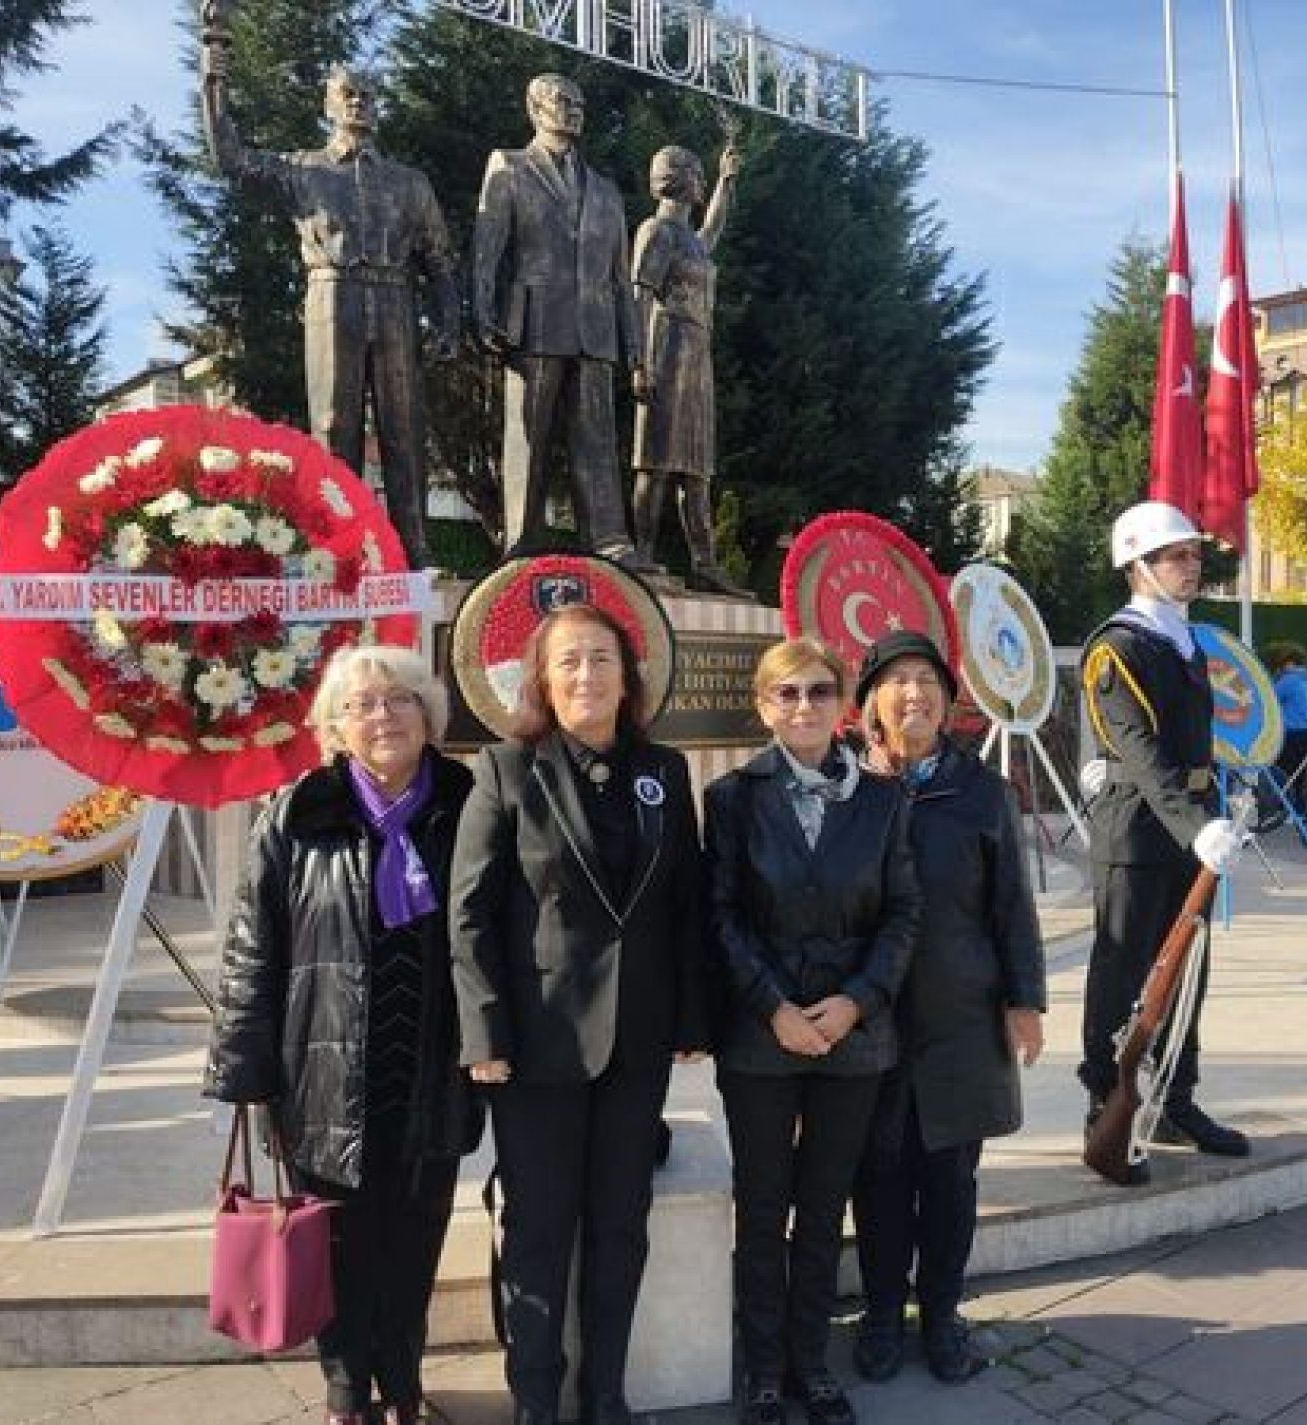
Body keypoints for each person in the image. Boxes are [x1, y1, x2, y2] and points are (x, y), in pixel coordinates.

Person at [449, 604, 709, 1425]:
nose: (587, 675)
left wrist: (693, 1019)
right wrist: (483, 1032)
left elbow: (687, 905)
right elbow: (468, 914)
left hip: (636, 1041)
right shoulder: (505, 771)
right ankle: (536, 1397)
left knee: (618, 1226)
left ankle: (606, 1392)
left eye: (602, 659)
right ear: (543, 680)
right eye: (569, 662)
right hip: (536, 1045)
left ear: (628, 677)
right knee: (536, 1229)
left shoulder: (664, 772)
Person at [206, 645, 478, 1425]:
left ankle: (403, 1381)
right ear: (335, 727)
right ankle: (346, 1390)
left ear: (429, 714)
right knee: (337, 1243)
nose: (382, 716)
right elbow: (254, 943)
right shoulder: (298, 810)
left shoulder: (467, 800)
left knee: (416, 1236)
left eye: (399, 699)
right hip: (323, 1067)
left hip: (432, 1065)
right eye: (362, 705)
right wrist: (244, 1068)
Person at [704, 638, 920, 1425]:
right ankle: (765, 1367)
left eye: (819, 691)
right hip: (763, 1037)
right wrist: (774, 1006)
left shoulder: (883, 800)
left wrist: (856, 1000)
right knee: (763, 1205)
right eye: (786, 692)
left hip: (853, 1037)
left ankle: (810, 1362)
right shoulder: (731, 797)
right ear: (763, 705)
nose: (803, 705)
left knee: (825, 1205)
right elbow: (720, 913)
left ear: (842, 704)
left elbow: (902, 913)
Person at [847, 631, 1046, 1388]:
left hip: (963, 1017)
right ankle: (879, 1315)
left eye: (926, 679)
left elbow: (1013, 909)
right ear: (871, 700)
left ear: (947, 696)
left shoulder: (982, 790)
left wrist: (1024, 1000)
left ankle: (941, 1314)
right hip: (873, 1021)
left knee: (952, 1182)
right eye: (895, 680)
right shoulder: (850, 788)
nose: (913, 694)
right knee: (879, 1178)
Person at [200, 11, 458, 568]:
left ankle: (414, 547)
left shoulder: (409, 183)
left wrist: (449, 319)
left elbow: (438, 257)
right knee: (333, 427)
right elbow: (231, 160)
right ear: (329, 104)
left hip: (395, 297)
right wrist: (214, 80)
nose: (358, 101)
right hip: (332, 294)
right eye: (347, 93)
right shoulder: (304, 169)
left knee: (403, 429)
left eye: (367, 93)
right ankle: (336, 547)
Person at [1076, 501, 1250, 1182]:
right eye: (1176, 555)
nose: (1191, 565)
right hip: (1140, 830)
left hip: (1190, 822)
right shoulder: (1116, 647)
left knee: (1186, 970)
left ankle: (1176, 1097)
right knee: (1122, 972)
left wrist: (1221, 805)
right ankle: (1105, 1103)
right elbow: (1142, 753)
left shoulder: (1185, 639)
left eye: (1194, 555)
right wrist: (1194, 821)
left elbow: (1191, 742)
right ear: (1138, 564)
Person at [471, 75, 656, 572]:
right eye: (561, 102)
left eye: (579, 103)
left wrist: (635, 350)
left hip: (595, 329)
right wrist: (483, 311)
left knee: (596, 439)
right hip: (532, 322)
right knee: (528, 435)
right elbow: (488, 252)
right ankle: (521, 535)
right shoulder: (507, 167)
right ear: (534, 109)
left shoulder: (606, 190)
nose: (572, 110)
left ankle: (610, 541)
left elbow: (621, 279)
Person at [629, 142, 746, 594]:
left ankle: (704, 563)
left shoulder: (691, 240)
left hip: (697, 352)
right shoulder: (656, 230)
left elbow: (711, 230)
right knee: (657, 458)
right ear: (680, 178)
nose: (701, 184)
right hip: (667, 345)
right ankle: (640, 553)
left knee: (696, 464)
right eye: (698, 175)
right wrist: (638, 361)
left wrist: (727, 179)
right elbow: (639, 295)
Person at [1269, 644, 1307, 826]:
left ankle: (1285, 810)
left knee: (1284, 773)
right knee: (1300, 775)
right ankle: (1298, 811)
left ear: (1289, 663)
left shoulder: (1288, 680)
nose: (1279, 669)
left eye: (1281, 665)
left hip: (1291, 733)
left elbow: (1268, 699)